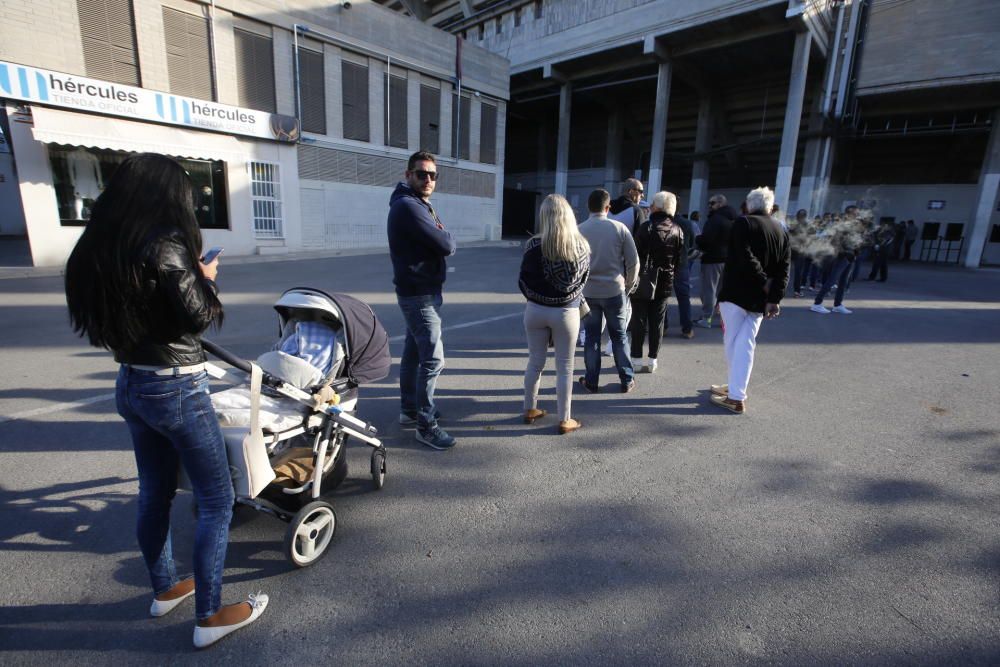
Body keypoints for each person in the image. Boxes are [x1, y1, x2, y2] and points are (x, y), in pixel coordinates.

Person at [63, 154, 268, 649]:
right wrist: (207, 277)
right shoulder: (166, 245)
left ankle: (165, 588)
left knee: (154, 493)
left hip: (131, 383)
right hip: (175, 386)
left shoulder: (102, 245)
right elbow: (197, 317)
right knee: (217, 500)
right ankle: (210, 616)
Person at [387, 151, 457, 450]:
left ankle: (410, 409)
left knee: (414, 354)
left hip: (419, 290)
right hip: (419, 295)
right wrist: (444, 235)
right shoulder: (408, 206)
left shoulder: (417, 203)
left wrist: (441, 235)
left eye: (432, 175)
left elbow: (440, 241)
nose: (428, 179)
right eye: (421, 174)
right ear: (408, 175)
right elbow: (446, 244)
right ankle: (425, 425)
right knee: (433, 359)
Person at [710, 186, 790, 414]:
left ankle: (736, 396)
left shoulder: (743, 224)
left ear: (749, 204)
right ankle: (735, 387)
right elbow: (785, 268)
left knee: (735, 343)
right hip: (760, 299)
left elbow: (742, 256)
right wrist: (775, 296)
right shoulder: (781, 229)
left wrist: (763, 280)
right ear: (770, 206)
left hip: (736, 293)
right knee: (745, 343)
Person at [518, 194, 590, 434]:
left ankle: (530, 408)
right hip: (566, 312)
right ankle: (565, 419)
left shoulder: (533, 245)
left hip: (535, 310)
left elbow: (523, 280)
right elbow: (582, 284)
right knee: (565, 366)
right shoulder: (581, 246)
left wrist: (536, 299)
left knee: (535, 362)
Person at [578, 189, 639, 393]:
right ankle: (627, 379)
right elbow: (633, 262)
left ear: (589, 206)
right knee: (619, 336)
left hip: (588, 292)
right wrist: (628, 285)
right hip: (614, 290)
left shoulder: (579, 230)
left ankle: (591, 380)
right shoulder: (619, 228)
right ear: (608, 207)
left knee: (592, 337)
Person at [630, 191, 684, 372]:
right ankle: (653, 359)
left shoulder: (646, 227)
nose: (650, 206)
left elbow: (635, 256)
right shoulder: (678, 229)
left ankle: (636, 359)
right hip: (665, 281)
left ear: (658, 207)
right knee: (657, 322)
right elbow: (679, 260)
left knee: (638, 320)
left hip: (643, 280)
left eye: (653, 203)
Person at [694, 194, 738, 328]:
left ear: (719, 204)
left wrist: (697, 240)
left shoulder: (715, 219)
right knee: (723, 292)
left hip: (712, 259)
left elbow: (707, 239)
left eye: (711, 203)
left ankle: (706, 318)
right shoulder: (734, 220)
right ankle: (724, 320)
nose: (709, 206)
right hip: (728, 259)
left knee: (709, 290)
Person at [811, 205, 864, 315]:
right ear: (849, 213)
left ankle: (838, 305)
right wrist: (844, 252)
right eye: (855, 213)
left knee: (843, 282)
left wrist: (856, 251)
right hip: (842, 256)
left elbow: (855, 241)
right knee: (832, 280)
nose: (857, 215)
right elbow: (835, 241)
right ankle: (817, 303)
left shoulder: (853, 225)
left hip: (850, 256)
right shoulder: (842, 225)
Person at [670, 206, 696, 338]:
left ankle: (662, 326)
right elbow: (692, 242)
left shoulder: (661, 222)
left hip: (665, 263)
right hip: (682, 262)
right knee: (684, 297)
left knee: (662, 297)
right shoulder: (686, 223)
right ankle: (687, 328)